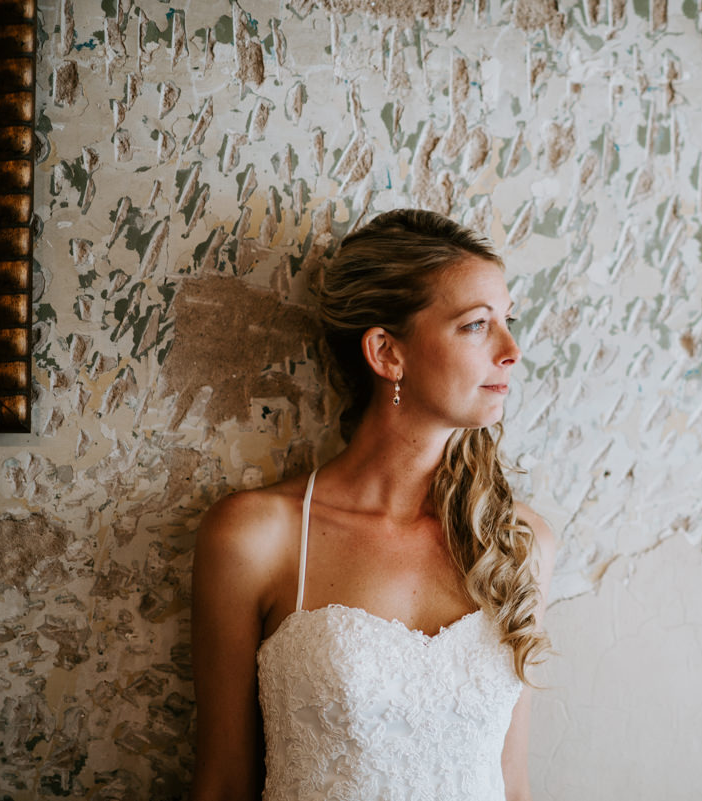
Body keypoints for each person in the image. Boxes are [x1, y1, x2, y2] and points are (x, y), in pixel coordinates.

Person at [189, 209, 556, 801]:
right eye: (475, 326)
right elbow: (225, 781)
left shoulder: (517, 543)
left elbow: (512, 784)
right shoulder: (257, 536)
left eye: (508, 322)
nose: (512, 350)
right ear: (387, 353)